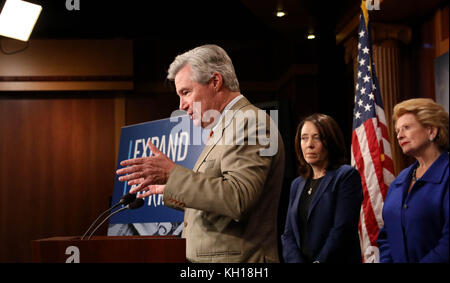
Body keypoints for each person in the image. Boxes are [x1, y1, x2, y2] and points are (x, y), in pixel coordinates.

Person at [116, 44, 285, 263]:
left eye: (186, 92)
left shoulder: (251, 122)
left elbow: (238, 197)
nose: (182, 105)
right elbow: (215, 198)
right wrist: (170, 188)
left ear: (215, 81)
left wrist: (173, 175)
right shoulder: (225, 127)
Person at [281, 113, 363, 263]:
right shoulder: (297, 184)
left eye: (317, 137)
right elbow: (288, 234)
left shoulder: (346, 176)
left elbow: (342, 230)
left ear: (330, 141)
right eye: (304, 138)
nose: (309, 144)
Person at [377, 98, 449, 263]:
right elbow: (386, 236)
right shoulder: (400, 180)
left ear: (432, 131)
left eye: (406, 128)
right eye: (397, 131)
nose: (399, 135)